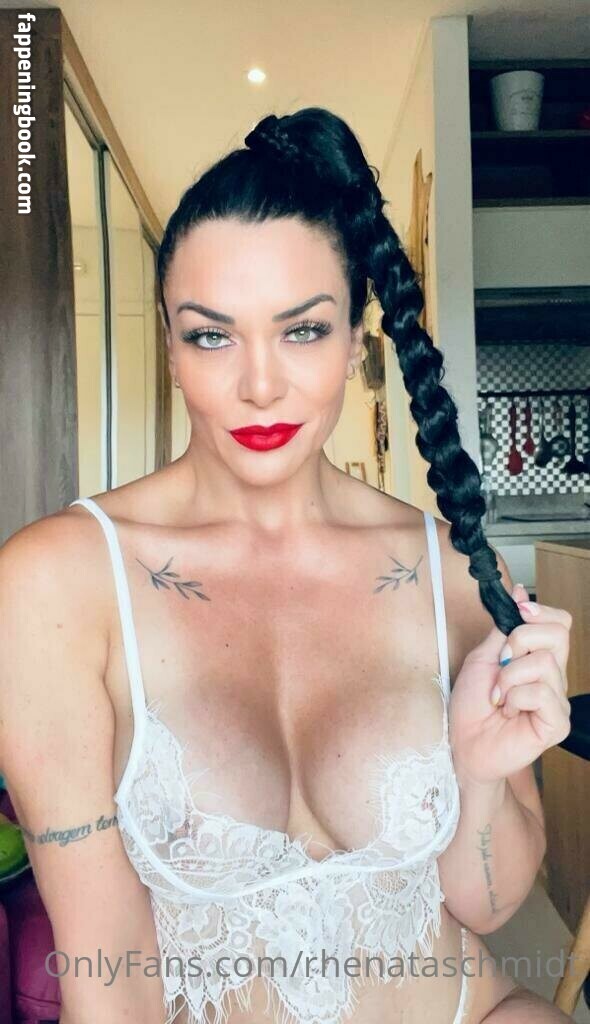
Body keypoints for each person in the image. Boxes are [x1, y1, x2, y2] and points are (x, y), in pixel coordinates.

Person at [0, 108, 574, 1024]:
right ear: (170, 346)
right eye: (212, 335)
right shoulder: (57, 584)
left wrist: (479, 772)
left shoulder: (451, 570)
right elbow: (108, 977)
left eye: (302, 330)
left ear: (355, 341)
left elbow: (490, 904)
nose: (260, 385)